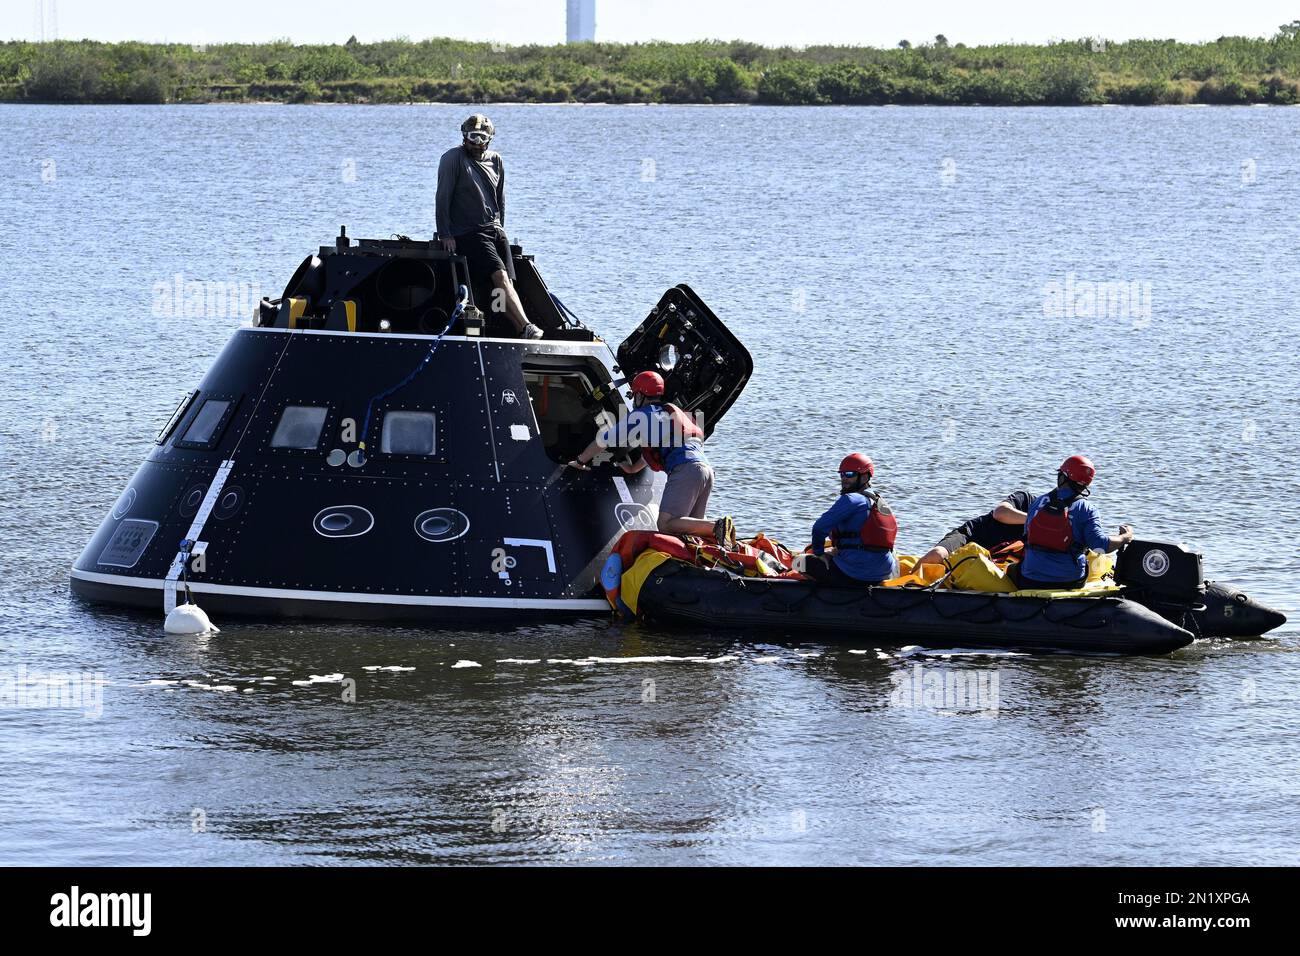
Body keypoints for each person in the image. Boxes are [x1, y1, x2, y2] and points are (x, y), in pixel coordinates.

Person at [566, 370, 737, 548]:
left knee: (665, 524)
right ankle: (717, 541)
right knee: (691, 533)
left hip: (685, 469)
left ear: (640, 395)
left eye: (634, 395)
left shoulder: (641, 415)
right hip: (706, 471)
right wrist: (633, 469)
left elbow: (604, 440)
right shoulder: (669, 411)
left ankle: (718, 525)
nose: (633, 400)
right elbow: (664, 447)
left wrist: (579, 461)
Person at [435, 114, 543, 339]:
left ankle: (512, 328)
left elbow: (499, 199)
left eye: (482, 137)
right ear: (464, 137)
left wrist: (501, 229)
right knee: (500, 277)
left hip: (494, 230)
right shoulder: (453, 158)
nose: (476, 142)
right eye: (472, 136)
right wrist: (445, 233)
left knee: (504, 286)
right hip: (469, 231)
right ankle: (526, 326)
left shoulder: (496, 160)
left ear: (489, 138)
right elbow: (442, 197)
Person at [1011, 454, 1134, 590]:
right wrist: (1124, 538)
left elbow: (1026, 536)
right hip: (1070, 580)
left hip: (1030, 578)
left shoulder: (1037, 502)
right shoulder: (1087, 509)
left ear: (1063, 477)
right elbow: (1100, 546)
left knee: (1011, 568)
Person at [801, 453, 899, 587]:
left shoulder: (851, 499)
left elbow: (819, 528)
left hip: (855, 573)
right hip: (885, 572)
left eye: (849, 474)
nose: (844, 479)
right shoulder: (879, 501)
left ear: (864, 476)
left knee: (800, 562)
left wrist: (819, 553)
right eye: (842, 474)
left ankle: (828, 597)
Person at [914, 490, 1033, 571]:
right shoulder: (1026, 499)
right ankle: (900, 590)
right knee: (937, 554)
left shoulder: (1046, 531)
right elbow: (1000, 513)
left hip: (991, 559)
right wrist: (1034, 519)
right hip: (969, 536)